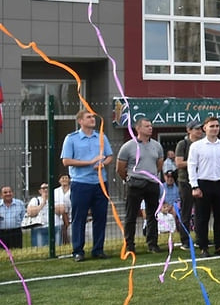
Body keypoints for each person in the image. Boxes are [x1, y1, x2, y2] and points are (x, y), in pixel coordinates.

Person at [61, 108, 112, 261]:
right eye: (88, 117)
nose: (92, 119)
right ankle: (78, 250)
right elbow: (66, 161)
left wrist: (102, 164)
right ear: (80, 121)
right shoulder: (71, 139)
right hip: (80, 183)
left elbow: (109, 156)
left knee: (100, 217)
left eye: (93, 117)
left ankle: (98, 249)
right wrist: (89, 162)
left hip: (100, 183)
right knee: (79, 217)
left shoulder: (101, 137)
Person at [116, 116, 166, 255]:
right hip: (135, 184)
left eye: (150, 126)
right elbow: (120, 167)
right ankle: (130, 246)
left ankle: (152, 244)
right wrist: (128, 179)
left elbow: (159, 163)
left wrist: (152, 175)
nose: (150, 128)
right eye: (146, 126)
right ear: (138, 128)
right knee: (131, 216)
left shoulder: (156, 145)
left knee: (152, 215)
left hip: (152, 184)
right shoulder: (128, 146)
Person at [188, 116, 220, 256]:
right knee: (203, 218)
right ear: (205, 128)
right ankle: (203, 247)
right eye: (212, 126)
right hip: (203, 184)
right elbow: (191, 166)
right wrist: (194, 186)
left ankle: (219, 246)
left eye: (217, 126)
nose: (215, 129)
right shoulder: (196, 146)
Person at [174, 119, 203, 245]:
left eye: (200, 129)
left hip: (200, 180)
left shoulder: (203, 144)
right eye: (196, 129)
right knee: (186, 211)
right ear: (189, 130)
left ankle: (200, 237)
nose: (199, 131)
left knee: (201, 211)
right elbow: (179, 163)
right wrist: (194, 162)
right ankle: (185, 239)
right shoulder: (183, 144)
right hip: (185, 181)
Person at [51, 174, 72, 246]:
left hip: (70, 217)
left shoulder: (73, 190)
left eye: (66, 178)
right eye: (62, 178)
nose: (64, 180)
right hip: (59, 218)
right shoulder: (55, 191)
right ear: (59, 181)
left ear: (69, 180)